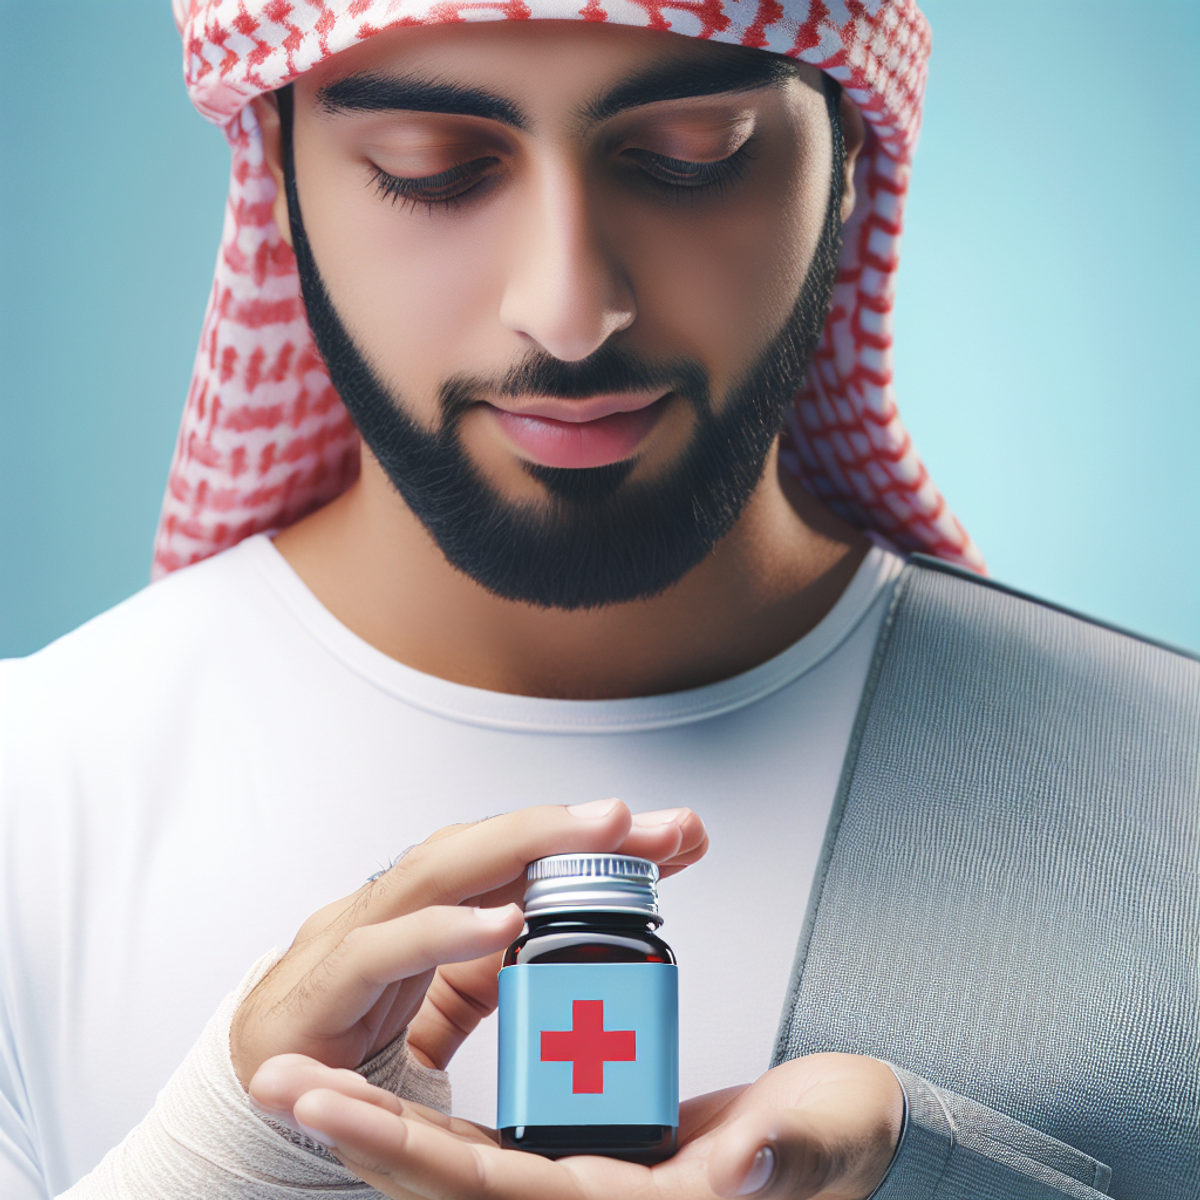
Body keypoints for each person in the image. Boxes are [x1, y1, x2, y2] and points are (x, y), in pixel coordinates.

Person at [1, 3, 1194, 1199]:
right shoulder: (32, 808)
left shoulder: (1166, 807)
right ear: (275, 164)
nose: (567, 312)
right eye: (435, 170)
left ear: (848, 158)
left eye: (693, 153)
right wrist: (228, 1166)